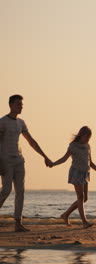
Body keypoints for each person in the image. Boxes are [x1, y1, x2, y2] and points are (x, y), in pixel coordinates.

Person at [0, 95, 53, 232]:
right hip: (6, 160)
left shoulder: (21, 122)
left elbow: (31, 141)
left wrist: (44, 156)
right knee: (6, 190)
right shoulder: (3, 122)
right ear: (11, 105)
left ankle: (18, 223)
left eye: (21, 104)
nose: (21, 106)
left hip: (19, 160)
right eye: (18, 104)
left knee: (20, 191)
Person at [50, 126, 96, 228]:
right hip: (76, 172)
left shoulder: (88, 146)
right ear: (82, 135)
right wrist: (53, 163)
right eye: (87, 137)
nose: (88, 139)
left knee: (85, 198)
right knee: (80, 197)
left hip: (85, 173)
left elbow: (91, 163)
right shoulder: (73, 146)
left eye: (89, 137)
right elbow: (64, 158)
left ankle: (65, 215)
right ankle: (84, 222)